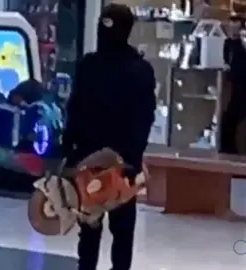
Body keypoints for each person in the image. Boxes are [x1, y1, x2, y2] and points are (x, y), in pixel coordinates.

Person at [62, 4, 156, 270]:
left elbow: (75, 110)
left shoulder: (89, 66)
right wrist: (134, 158)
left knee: (90, 227)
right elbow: (143, 118)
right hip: (120, 160)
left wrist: (69, 150)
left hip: (89, 158)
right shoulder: (140, 70)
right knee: (121, 229)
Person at [221, 16, 246, 154]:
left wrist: (243, 39)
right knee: (228, 120)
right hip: (233, 85)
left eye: (236, 25)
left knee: (234, 119)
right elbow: (226, 60)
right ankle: (229, 151)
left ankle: (233, 152)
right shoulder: (228, 43)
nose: (232, 28)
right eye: (231, 25)